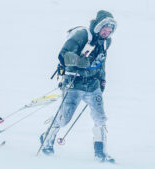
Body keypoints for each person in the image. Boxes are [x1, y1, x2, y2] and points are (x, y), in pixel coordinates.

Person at [40, 10, 117, 163]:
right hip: (74, 83)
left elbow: (102, 62)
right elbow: (63, 55)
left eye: (110, 31)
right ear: (98, 27)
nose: (107, 33)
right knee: (64, 118)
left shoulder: (106, 41)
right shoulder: (82, 35)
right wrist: (82, 62)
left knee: (100, 118)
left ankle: (100, 153)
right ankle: (47, 138)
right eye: (105, 29)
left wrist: (102, 80)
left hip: (93, 85)